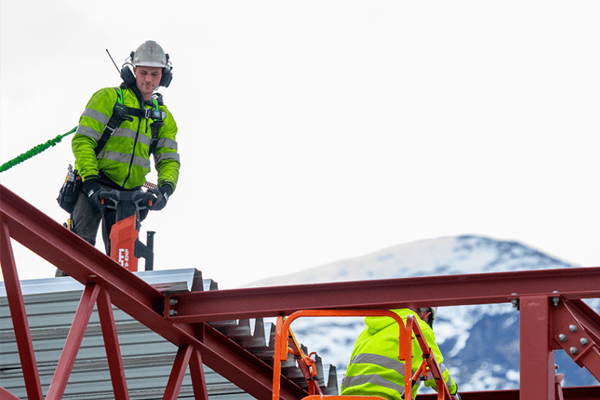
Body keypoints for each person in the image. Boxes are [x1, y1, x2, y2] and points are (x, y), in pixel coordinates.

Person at [56, 40, 179, 276]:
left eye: (154, 74)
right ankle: (64, 302)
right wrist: (91, 184)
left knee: (122, 261)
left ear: (163, 76)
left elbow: (169, 158)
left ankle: (113, 308)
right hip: (94, 184)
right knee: (79, 248)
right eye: (143, 72)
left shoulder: (162, 117)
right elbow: (83, 141)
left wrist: (165, 189)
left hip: (129, 195)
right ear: (133, 71)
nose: (148, 80)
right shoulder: (108, 99)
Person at [341, 307, 461, 400]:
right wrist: (453, 392)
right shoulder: (416, 326)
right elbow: (436, 371)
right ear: (427, 315)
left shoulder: (366, 333)